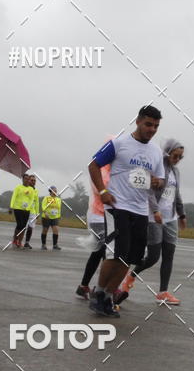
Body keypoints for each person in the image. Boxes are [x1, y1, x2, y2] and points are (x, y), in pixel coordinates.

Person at [87, 105, 165, 317]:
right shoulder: (119, 143)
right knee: (115, 254)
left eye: (156, 126)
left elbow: (160, 181)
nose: (151, 129)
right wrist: (102, 191)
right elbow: (93, 165)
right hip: (117, 207)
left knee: (130, 258)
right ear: (138, 121)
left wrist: (158, 182)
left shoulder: (156, 151)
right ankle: (99, 293)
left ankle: (109, 296)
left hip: (141, 211)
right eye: (148, 124)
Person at [117, 139, 187, 306]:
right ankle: (130, 276)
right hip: (152, 216)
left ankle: (162, 292)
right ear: (168, 153)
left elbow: (176, 194)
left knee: (169, 254)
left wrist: (182, 214)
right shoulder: (157, 166)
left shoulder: (176, 172)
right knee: (153, 257)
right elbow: (148, 191)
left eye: (180, 157)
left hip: (170, 218)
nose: (177, 160)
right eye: (175, 156)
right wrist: (155, 211)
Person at [75, 164, 112, 300]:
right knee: (106, 252)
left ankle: (85, 286)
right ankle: (102, 289)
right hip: (99, 215)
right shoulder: (102, 170)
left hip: (108, 217)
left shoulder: (113, 169)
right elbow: (101, 190)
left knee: (100, 252)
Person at [9, 173, 36, 248]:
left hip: (26, 210)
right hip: (18, 209)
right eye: (25, 179)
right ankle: (15, 239)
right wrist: (11, 206)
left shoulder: (31, 189)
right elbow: (14, 197)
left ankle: (19, 241)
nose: (27, 180)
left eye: (28, 179)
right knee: (19, 225)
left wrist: (28, 207)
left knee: (24, 227)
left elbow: (31, 199)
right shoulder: (18, 187)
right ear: (22, 179)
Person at [24, 173, 40, 248]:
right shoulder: (25, 188)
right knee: (22, 226)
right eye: (32, 180)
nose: (33, 182)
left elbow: (36, 202)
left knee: (31, 227)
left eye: (34, 180)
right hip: (24, 210)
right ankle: (17, 240)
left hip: (33, 212)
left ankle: (27, 242)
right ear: (28, 180)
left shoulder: (36, 191)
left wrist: (37, 212)